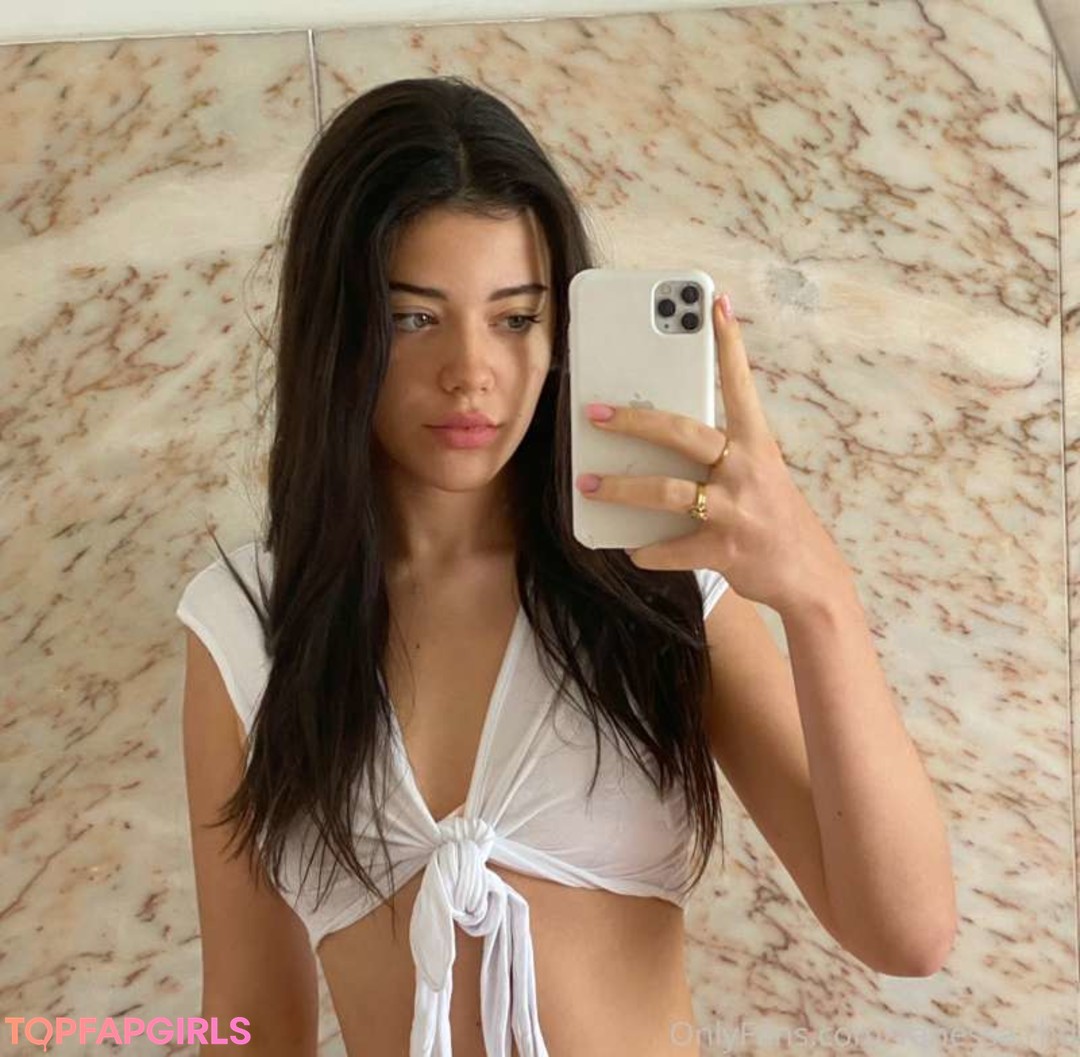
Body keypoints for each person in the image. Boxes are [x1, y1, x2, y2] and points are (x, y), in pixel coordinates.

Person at [176, 75, 956, 1057]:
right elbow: (247, 1016)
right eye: (415, 317)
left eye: (514, 317)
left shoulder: (657, 578)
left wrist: (817, 592)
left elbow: (907, 933)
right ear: (337, 331)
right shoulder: (247, 623)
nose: (472, 371)